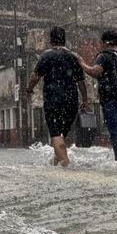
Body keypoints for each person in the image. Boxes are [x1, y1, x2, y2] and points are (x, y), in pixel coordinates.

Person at [25, 27, 88, 167]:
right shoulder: (74, 56)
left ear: (51, 40)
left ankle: (65, 165)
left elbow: (35, 76)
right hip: (71, 101)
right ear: (64, 39)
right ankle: (56, 162)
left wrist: (29, 89)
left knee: (55, 135)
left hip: (53, 100)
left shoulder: (46, 56)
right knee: (62, 136)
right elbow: (81, 82)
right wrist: (85, 99)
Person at [73, 30, 117, 166]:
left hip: (112, 100)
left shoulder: (104, 56)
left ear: (105, 42)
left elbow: (94, 72)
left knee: (115, 132)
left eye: (100, 43)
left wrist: (81, 62)